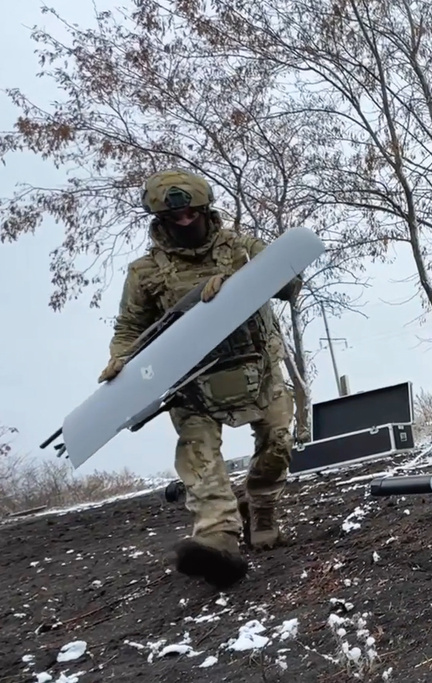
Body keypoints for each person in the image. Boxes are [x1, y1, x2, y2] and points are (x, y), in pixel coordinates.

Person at [98, 168, 302, 589]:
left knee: (278, 442)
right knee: (199, 460)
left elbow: (290, 283)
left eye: (192, 213)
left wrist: (237, 285)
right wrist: (120, 359)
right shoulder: (145, 273)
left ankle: (260, 511)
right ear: (160, 219)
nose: (185, 221)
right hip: (191, 383)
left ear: (205, 209)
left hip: (257, 367)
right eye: (176, 217)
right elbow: (128, 328)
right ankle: (217, 540)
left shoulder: (242, 248)